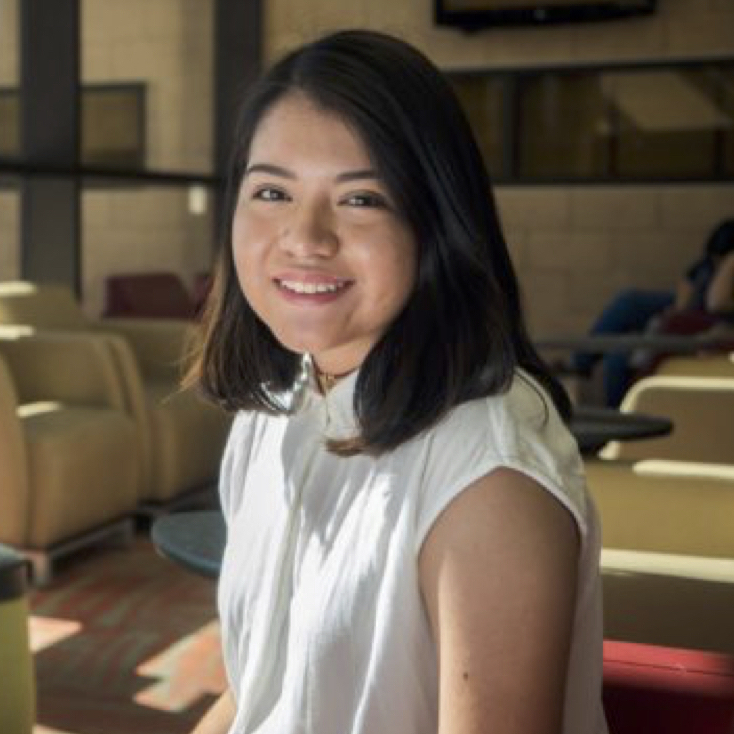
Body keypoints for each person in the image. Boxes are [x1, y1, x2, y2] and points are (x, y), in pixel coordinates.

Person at [188, 30, 608, 734]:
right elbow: (255, 695)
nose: (305, 238)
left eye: (361, 200)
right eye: (271, 192)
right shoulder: (279, 407)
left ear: (435, 222)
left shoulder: (487, 471)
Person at [573, 218, 734, 406]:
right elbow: (685, 296)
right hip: (687, 318)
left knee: (618, 356)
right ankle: (581, 364)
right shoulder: (706, 266)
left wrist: (730, 262)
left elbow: (716, 303)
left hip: (710, 326)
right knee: (628, 308)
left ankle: (623, 419)